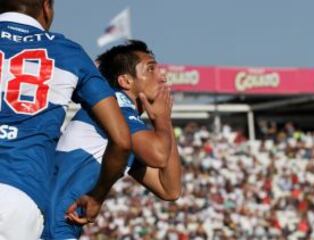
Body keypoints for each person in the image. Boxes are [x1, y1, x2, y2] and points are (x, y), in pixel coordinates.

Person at [0, 1, 132, 239]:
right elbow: (122, 139)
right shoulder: (67, 52)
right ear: (46, 6)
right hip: (21, 199)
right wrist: (97, 196)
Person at [42, 40, 182, 239]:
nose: (163, 77)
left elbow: (170, 189)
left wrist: (164, 121)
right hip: (53, 221)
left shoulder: (127, 130)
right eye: (151, 69)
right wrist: (162, 120)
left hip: (57, 221)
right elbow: (159, 156)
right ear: (125, 81)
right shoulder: (115, 105)